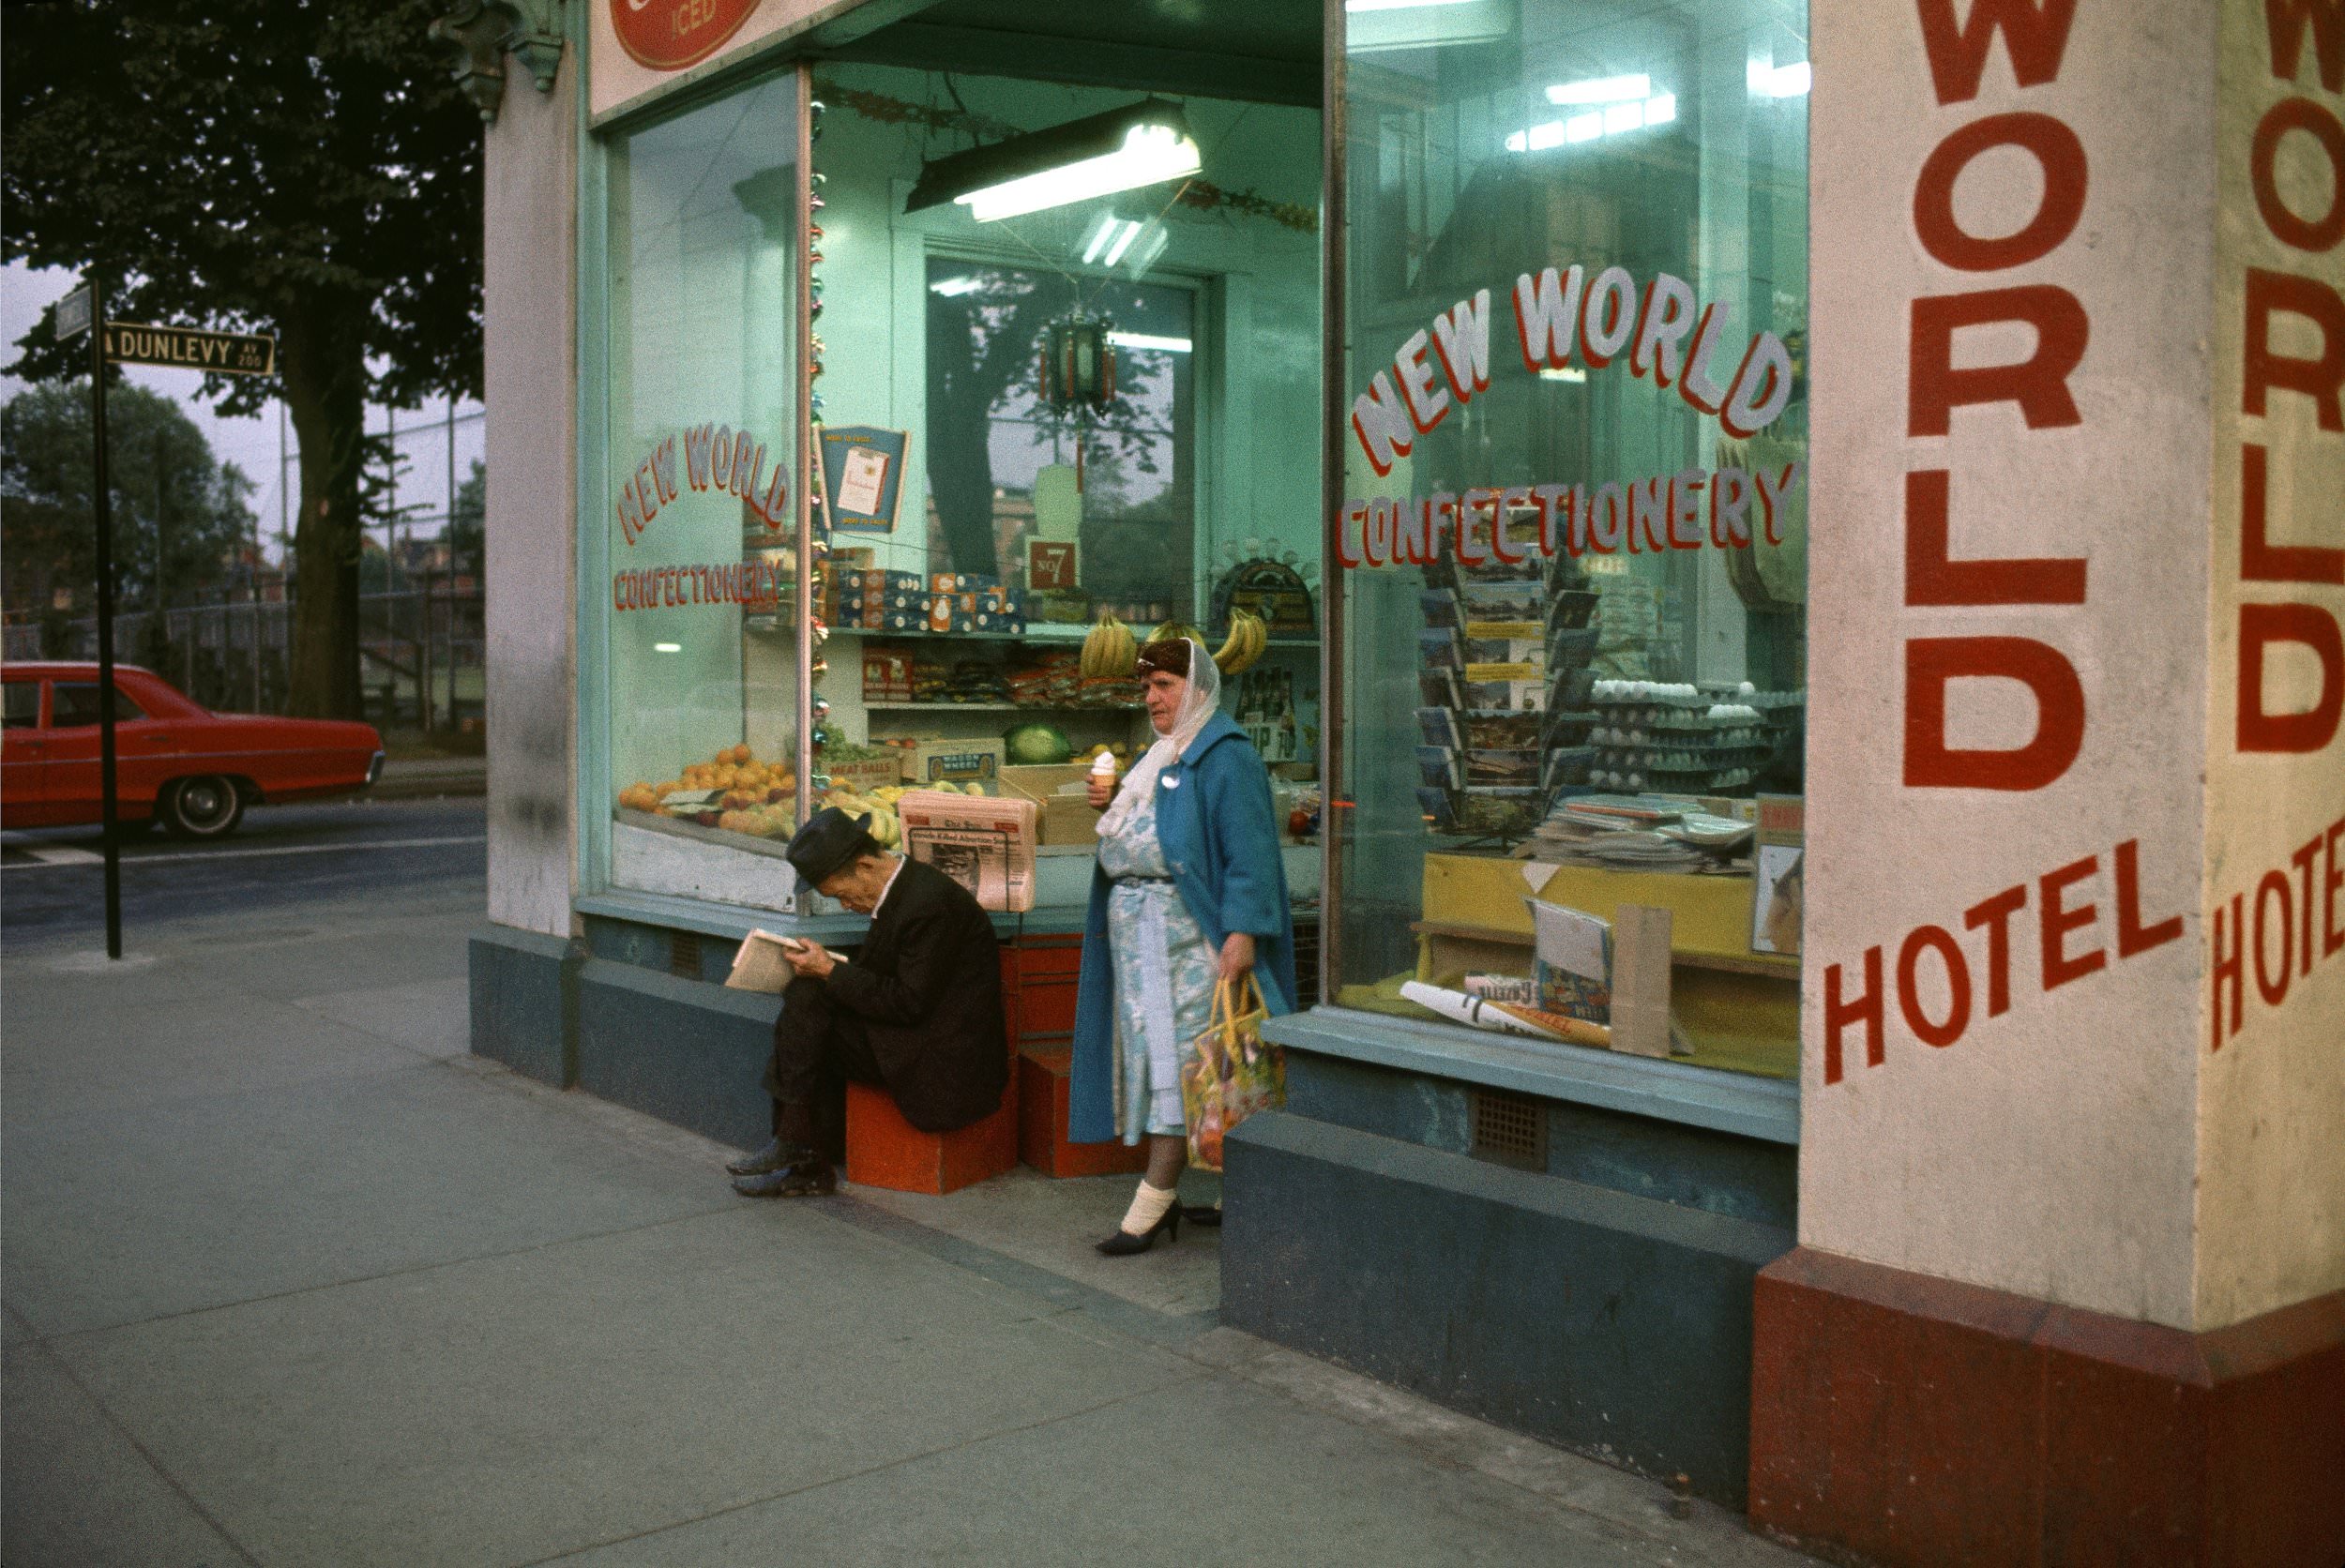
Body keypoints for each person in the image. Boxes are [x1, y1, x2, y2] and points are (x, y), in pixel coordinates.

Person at [1069, 636, 1298, 1255]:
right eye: (1147, 688)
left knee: (1186, 1063)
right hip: (1143, 940)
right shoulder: (1165, 754)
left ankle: (1153, 1202)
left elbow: (1248, 852)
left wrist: (1242, 933)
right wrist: (1117, 804)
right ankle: (1239, 1189)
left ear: (1197, 689)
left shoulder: (1226, 756)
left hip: (1188, 940)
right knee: (1169, 1060)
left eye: (1165, 686)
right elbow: (1166, 832)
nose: (1152, 698)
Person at [728, 807, 1007, 1197]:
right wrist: (827, 971)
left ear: (864, 867)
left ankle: (798, 1150)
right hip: (918, 1034)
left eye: (841, 896)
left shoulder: (927, 904)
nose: (845, 906)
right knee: (806, 1003)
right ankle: (796, 1148)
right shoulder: (903, 891)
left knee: (810, 1015)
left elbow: (909, 1002)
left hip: (943, 1060)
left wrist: (830, 971)